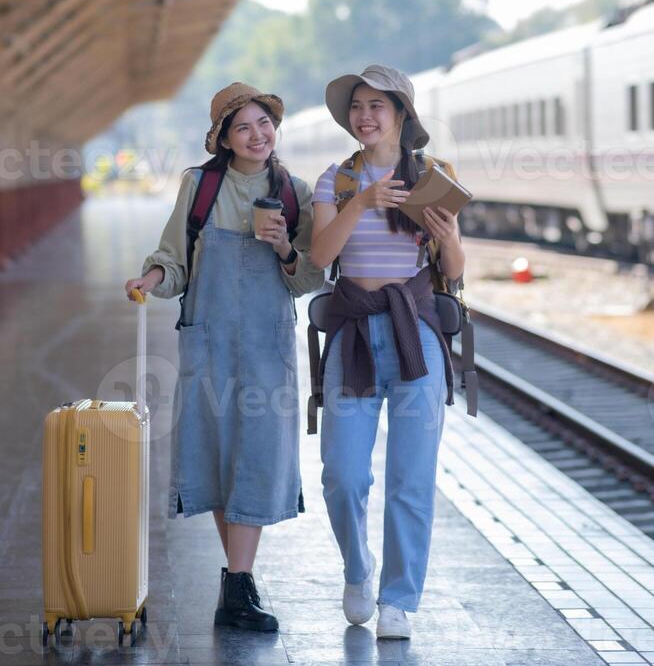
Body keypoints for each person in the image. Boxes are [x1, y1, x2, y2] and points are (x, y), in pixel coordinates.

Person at [124, 83, 324, 633]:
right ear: (224, 139)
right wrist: (151, 278)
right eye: (244, 128)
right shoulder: (201, 185)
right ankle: (237, 583)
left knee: (257, 454)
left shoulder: (294, 192)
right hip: (208, 339)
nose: (258, 135)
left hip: (266, 346)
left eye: (264, 123)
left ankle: (237, 582)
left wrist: (283, 246)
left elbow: (309, 276)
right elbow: (175, 257)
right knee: (216, 453)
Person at [310, 65, 465, 640]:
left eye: (378, 105)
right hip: (352, 335)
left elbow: (452, 271)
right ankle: (358, 570)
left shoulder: (434, 176)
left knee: (411, 477)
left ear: (402, 114)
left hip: (415, 334)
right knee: (342, 476)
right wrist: (363, 203)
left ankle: (398, 598)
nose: (365, 116)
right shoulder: (336, 181)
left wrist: (448, 238)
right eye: (357, 106)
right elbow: (320, 254)